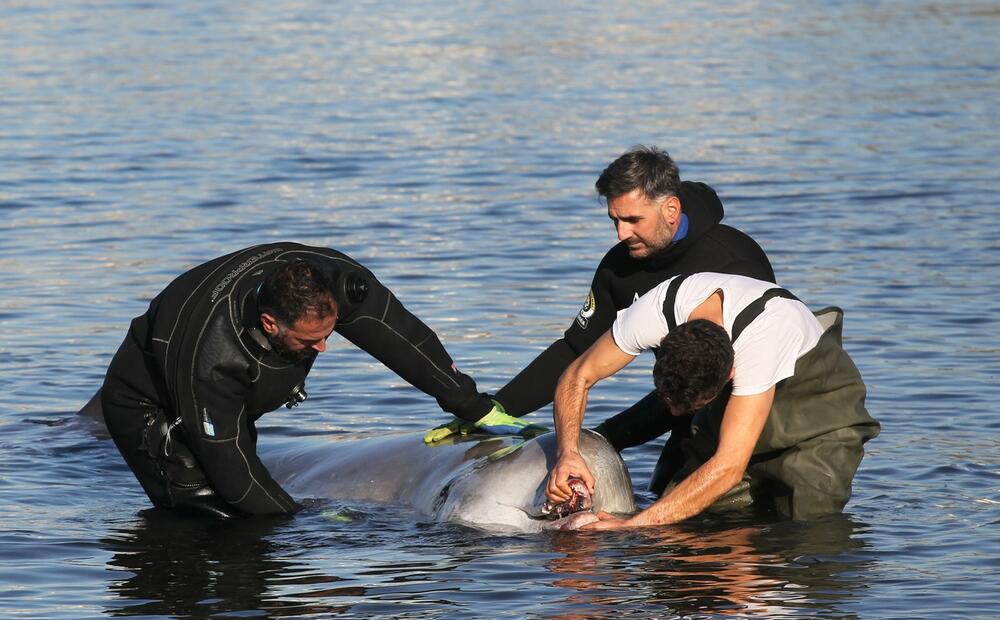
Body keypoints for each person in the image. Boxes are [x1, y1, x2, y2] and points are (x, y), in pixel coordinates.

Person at [99, 242, 536, 518]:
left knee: (257, 500)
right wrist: (303, 521)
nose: (324, 349)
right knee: (218, 516)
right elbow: (234, 475)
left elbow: (404, 341)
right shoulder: (213, 361)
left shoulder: (333, 280)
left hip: (230, 385)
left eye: (329, 334)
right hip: (151, 406)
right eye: (311, 341)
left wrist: (471, 404)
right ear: (270, 323)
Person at [424, 146, 775, 451]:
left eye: (633, 220)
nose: (622, 234)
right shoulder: (620, 265)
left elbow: (719, 377)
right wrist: (495, 409)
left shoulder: (733, 262)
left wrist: (611, 435)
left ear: (671, 210)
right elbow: (577, 351)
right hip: (683, 406)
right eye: (615, 220)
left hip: (757, 402)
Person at [546, 272, 880, 526]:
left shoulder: (761, 343)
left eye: (686, 407)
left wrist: (632, 526)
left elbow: (728, 469)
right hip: (732, 416)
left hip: (817, 422)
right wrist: (568, 452)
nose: (673, 413)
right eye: (668, 400)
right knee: (682, 515)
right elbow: (575, 377)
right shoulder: (655, 311)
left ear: (729, 374)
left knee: (807, 530)